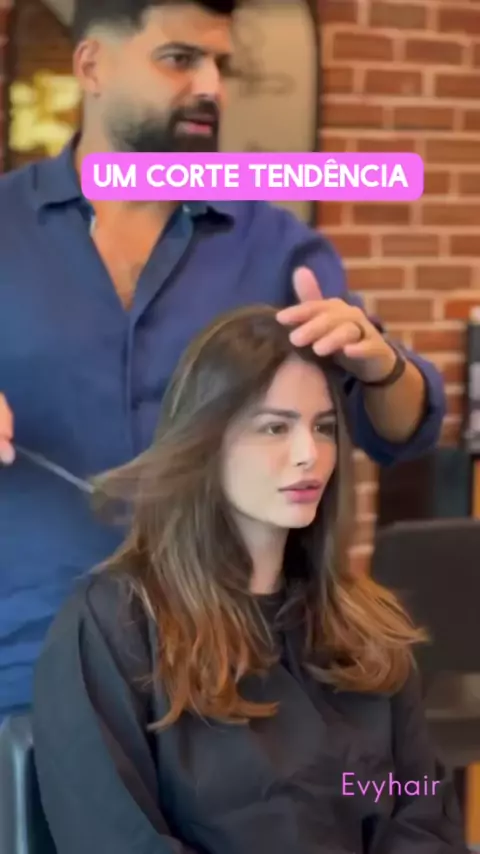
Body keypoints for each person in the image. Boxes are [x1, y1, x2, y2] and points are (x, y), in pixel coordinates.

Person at [0, 0, 445, 721]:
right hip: (27, 668)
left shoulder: (275, 245)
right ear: (92, 66)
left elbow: (398, 431)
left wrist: (381, 367)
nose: (210, 86)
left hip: (233, 675)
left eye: (221, 65)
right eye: (180, 59)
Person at [33, 306, 465, 854]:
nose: (310, 455)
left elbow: (416, 804)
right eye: (275, 427)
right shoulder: (111, 627)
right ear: (206, 443)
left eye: (324, 428)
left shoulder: (364, 632)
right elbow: (113, 839)